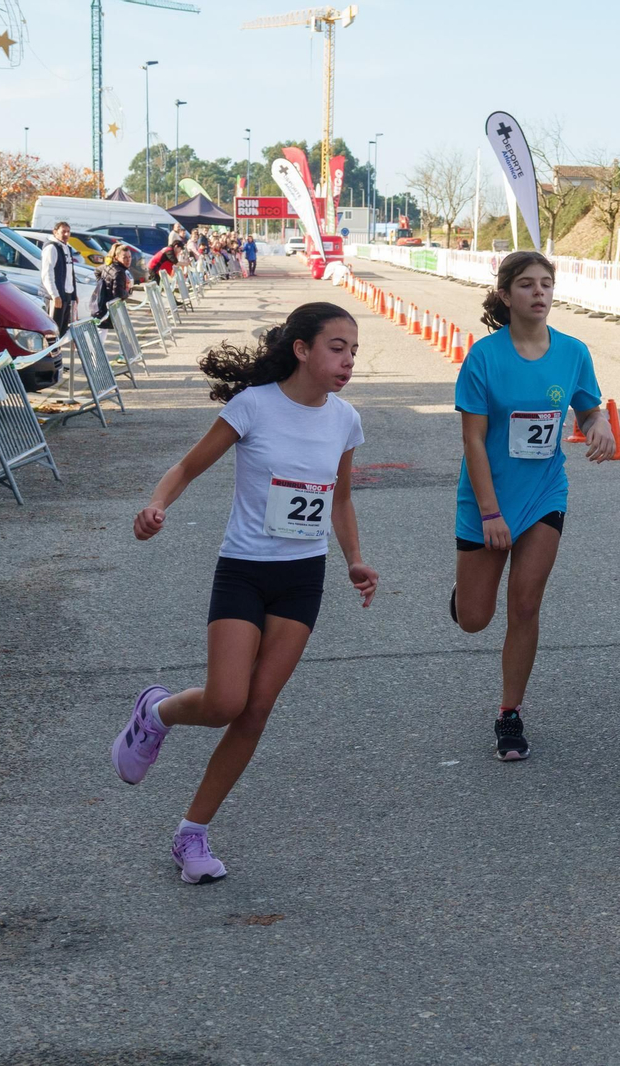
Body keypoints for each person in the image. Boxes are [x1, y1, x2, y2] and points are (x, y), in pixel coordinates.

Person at [110, 301, 377, 883]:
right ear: (302, 349)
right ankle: (156, 712)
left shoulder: (345, 421)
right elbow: (186, 467)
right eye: (337, 347)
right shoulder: (253, 406)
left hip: (303, 577)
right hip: (245, 570)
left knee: (255, 711)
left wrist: (355, 560)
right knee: (226, 700)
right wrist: (156, 506)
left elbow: (341, 498)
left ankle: (192, 836)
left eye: (354, 350)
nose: (348, 360)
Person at [450, 251, 615, 760]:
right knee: (476, 618)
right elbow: (474, 443)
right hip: (487, 497)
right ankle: (463, 595)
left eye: (546, 284)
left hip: (545, 492)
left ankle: (509, 714)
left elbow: (587, 408)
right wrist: (491, 513)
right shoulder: (483, 357)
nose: (539, 293)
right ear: (506, 295)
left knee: (525, 604)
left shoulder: (572, 352)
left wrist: (600, 425)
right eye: (526, 285)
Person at [39, 220, 78, 336]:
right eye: (63, 232)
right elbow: (47, 273)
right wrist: (54, 295)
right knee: (52, 330)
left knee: (61, 331)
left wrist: (74, 294)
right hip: (55, 297)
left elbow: (70, 273)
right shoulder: (52, 248)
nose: (66, 235)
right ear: (55, 232)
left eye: (68, 232)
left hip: (66, 296)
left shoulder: (66, 248)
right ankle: (50, 353)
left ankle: (57, 352)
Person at [94, 244, 133, 328]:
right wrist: (127, 290)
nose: (128, 260)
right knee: (103, 332)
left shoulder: (109, 265)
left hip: (104, 306)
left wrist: (103, 286)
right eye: (124, 257)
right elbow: (118, 294)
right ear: (116, 258)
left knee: (103, 331)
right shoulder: (119, 271)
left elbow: (97, 271)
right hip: (109, 309)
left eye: (130, 257)